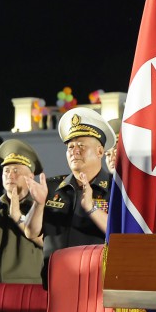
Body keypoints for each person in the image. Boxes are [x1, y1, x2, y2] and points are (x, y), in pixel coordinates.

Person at [24, 107, 115, 286]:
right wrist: (38, 204)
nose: (74, 151)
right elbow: (31, 232)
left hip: (98, 284)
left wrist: (91, 208)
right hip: (57, 282)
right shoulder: (51, 187)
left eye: (81, 145)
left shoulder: (116, 189)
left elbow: (122, 234)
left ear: (99, 151)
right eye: (70, 146)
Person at [0, 139, 44, 284]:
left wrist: (19, 217)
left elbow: (48, 243)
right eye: (6, 171)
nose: (10, 175)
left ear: (31, 177)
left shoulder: (40, 207)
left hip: (30, 286)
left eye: (16, 171)